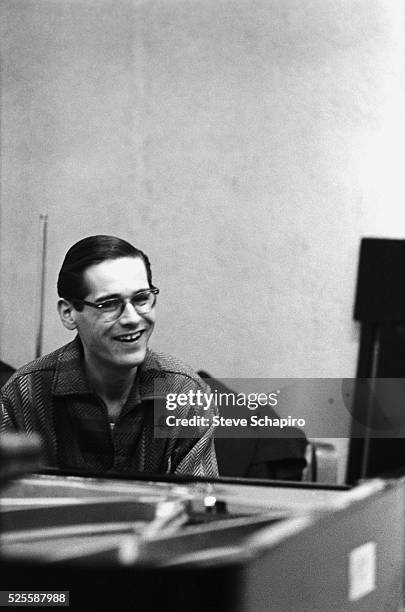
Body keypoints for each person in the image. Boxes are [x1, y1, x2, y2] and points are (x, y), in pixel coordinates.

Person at [0, 235, 218, 477]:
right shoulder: (24, 392)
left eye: (141, 298)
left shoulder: (185, 391)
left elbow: (198, 505)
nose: (132, 319)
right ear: (69, 313)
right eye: (109, 304)